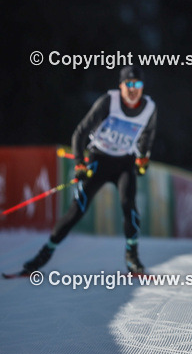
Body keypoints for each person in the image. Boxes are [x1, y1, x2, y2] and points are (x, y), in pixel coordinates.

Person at [20, 66, 157, 275]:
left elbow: (148, 133)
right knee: (77, 210)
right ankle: (43, 255)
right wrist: (80, 163)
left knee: (128, 205)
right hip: (99, 160)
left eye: (137, 84)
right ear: (120, 86)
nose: (132, 89)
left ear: (142, 87)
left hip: (124, 162)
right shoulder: (109, 102)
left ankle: (133, 259)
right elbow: (80, 133)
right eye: (128, 84)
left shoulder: (149, 108)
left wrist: (143, 158)